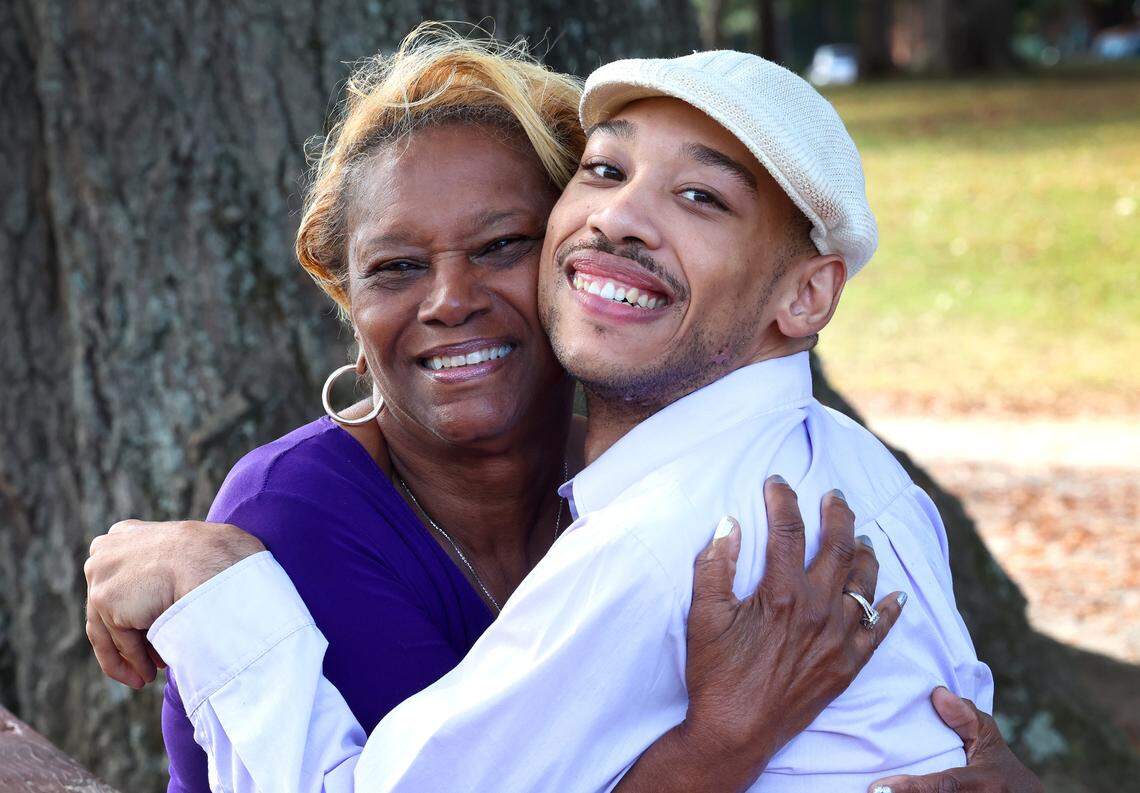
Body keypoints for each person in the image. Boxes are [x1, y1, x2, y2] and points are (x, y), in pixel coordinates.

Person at [84, 32, 1042, 793]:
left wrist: (220, 594)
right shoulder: (854, 469)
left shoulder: (672, 537)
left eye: (701, 196)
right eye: (609, 170)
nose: (623, 218)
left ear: (805, 296)